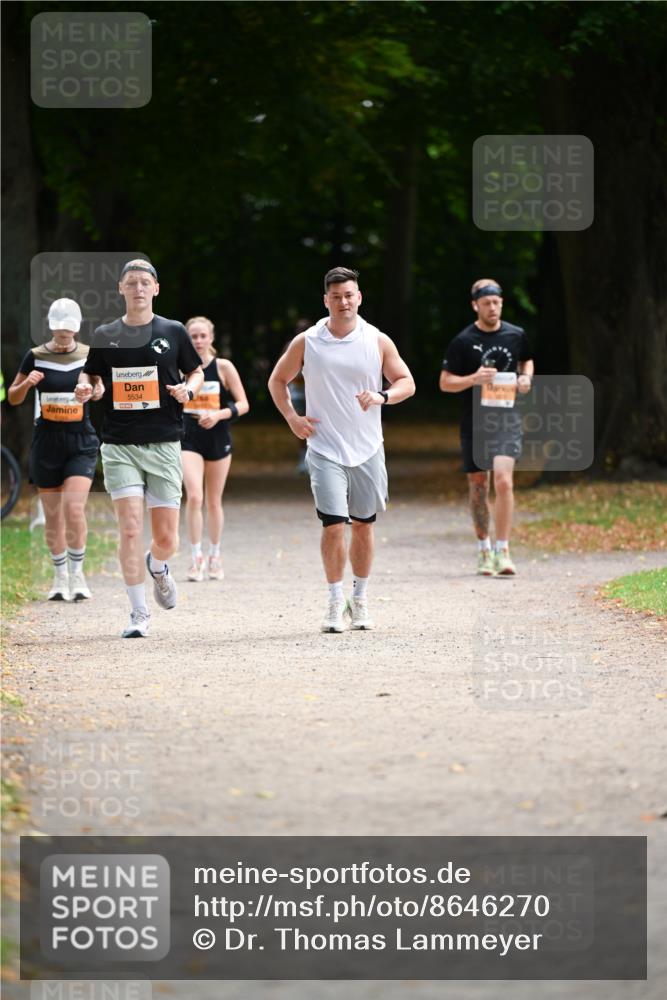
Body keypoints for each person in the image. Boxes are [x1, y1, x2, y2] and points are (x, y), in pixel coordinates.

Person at [268, 266, 415, 632]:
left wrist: (382, 396)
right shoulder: (308, 340)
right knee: (333, 526)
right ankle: (335, 601)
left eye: (349, 295)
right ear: (326, 300)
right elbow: (277, 380)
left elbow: (406, 382)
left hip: (367, 448)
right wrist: (291, 417)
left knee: (363, 526)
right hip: (324, 448)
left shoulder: (377, 340)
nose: (343, 302)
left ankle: (360, 598)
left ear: (359, 297)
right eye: (336, 297)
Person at [75, 260, 203, 638]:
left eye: (145, 283)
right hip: (119, 444)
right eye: (131, 283)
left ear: (156, 289)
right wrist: (87, 387)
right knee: (130, 530)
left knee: (167, 539)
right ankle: (138, 612)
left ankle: (159, 567)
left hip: (164, 442)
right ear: (121, 289)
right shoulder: (106, 333)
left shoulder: (173, 331)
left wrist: (188, 389)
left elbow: (195, 371)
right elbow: (92, 374)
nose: (138, 288)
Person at [7, 298, 102, 601]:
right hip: (46, 442)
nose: (63, 340)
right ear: (51, 328)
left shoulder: (88, 355)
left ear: (76, 330)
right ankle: (59, 576)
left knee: (74, 508)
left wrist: (91, 390)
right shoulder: (35, 356)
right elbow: (12, 397)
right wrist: (27, 384)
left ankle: (78, 574)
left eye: (68, 334)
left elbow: (101, 388)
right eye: (59, 334)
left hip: (80, 442)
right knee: (53, 516)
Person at [439, 279, 534, 576]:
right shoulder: (463, 341)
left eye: (497, 302)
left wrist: (525, 378)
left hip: (507, 419)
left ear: (502, 303)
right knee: (479, 486)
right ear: (475, 306)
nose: (492, 307)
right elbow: (445, 382)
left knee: (504, 482)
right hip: (475, 423)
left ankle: (503, 550)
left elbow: (527, 360)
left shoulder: (516, 334)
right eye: (486, 303)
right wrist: (473, 379)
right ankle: (484, 549)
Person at [181, 315, 249, 581]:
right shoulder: (181, 367)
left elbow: (244, 404)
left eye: (202, 336)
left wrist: (219, 415)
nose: (198, 341)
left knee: (213, 500)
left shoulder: (223, 367)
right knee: (195, 496)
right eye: (193, 336)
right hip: (189, 437)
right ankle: (195, 557)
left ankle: (215, 555)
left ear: (211, 337)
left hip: (218, 435)